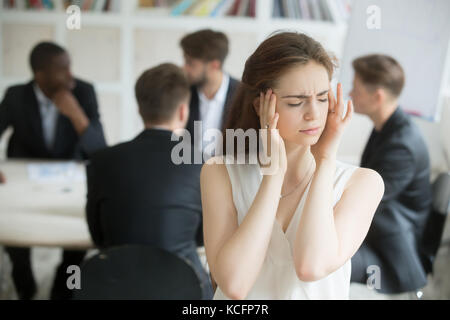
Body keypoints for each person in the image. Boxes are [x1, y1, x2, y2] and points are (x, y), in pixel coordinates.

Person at [200, 32, 384, 300]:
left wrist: (325, 161)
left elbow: (311, 265)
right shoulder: (220, 172)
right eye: (296, 102)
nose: (313, 113)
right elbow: (234, 285)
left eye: (322, 98)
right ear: (260, 104)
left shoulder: (362, 183)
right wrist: (272, 177)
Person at [85, 63, 214, 300]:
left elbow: (98, 235)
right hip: (183, 288)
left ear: (139, 109)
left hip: (117, 287)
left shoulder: (102, 160)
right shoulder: (202, 164)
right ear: (183, 111)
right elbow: (202, 235)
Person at [0, 41, 107, 300]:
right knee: (14, 234)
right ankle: (25, 283)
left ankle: (62, 287)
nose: (70, 74)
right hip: (23, 180)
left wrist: (76, 115)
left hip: (69, 181)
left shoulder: (82, 92)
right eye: (62, 69)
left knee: (78, 237)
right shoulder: (16, 95)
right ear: (40, 74)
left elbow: (100, 151)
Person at [349, 54, 432, 294]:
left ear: (377, 97)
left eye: (356, 89)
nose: (350, 95)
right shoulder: (388, 126)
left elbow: (366, 199)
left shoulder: (401, 145)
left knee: (328, 260)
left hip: (392, 249)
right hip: (380, 229)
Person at [180, 29, 240, 246]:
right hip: (187, 188)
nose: (184, 68)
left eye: (190, 63)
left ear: (214, 65)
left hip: (229, 191)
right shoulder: (181, 94)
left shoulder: (244, 96)